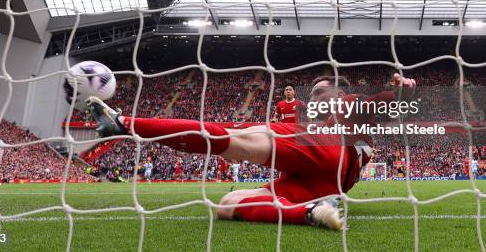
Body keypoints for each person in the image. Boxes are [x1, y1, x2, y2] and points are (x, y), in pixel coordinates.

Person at [86, 73, 416, 230]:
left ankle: (125, 123)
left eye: (320, 92)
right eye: (312, 94)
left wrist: (401, 91)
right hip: (331, 186)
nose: (314, 98)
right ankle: (312, 213)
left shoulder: (346, 108)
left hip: (329, 153)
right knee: (228, 205)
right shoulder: (345, 121)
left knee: (240, 137)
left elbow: (384, 102)